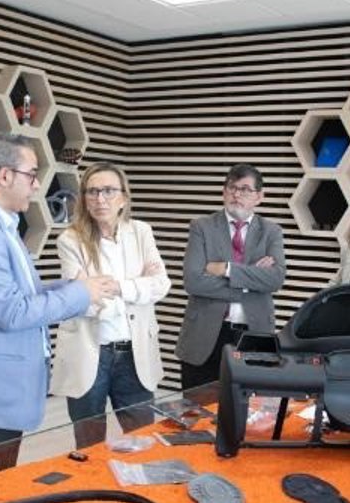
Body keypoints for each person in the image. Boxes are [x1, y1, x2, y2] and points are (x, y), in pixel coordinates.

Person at [0, 134, 117, 482]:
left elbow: (23, 294)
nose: (37, 185)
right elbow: (13, 312)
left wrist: (71, 287)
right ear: (5, 176)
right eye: (32, 175)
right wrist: (80, 294)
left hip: (1, 385)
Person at [51, 162, 171, 448]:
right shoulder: (70, 240)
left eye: (108, 191)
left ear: (123, 198)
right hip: (89, 352)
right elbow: (81, 301)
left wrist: (118, 287)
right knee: (89, 443)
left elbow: (161, 284)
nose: (100, 199)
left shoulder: (141, 232)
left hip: (133, 354)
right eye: (92, 191)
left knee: (143, 439)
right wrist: (137, 287)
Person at [177, 164, 286, 394]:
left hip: (253, 335)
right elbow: (193, 281)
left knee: (249, 409)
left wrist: (227, 269)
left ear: (259, 197)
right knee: (196, 409)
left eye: (245, 189)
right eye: (232, 188)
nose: (237, 194)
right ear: (224, 192)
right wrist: (251, 283)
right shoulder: (202, 227)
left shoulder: (271, 232)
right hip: (205, 336)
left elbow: (275, 279)